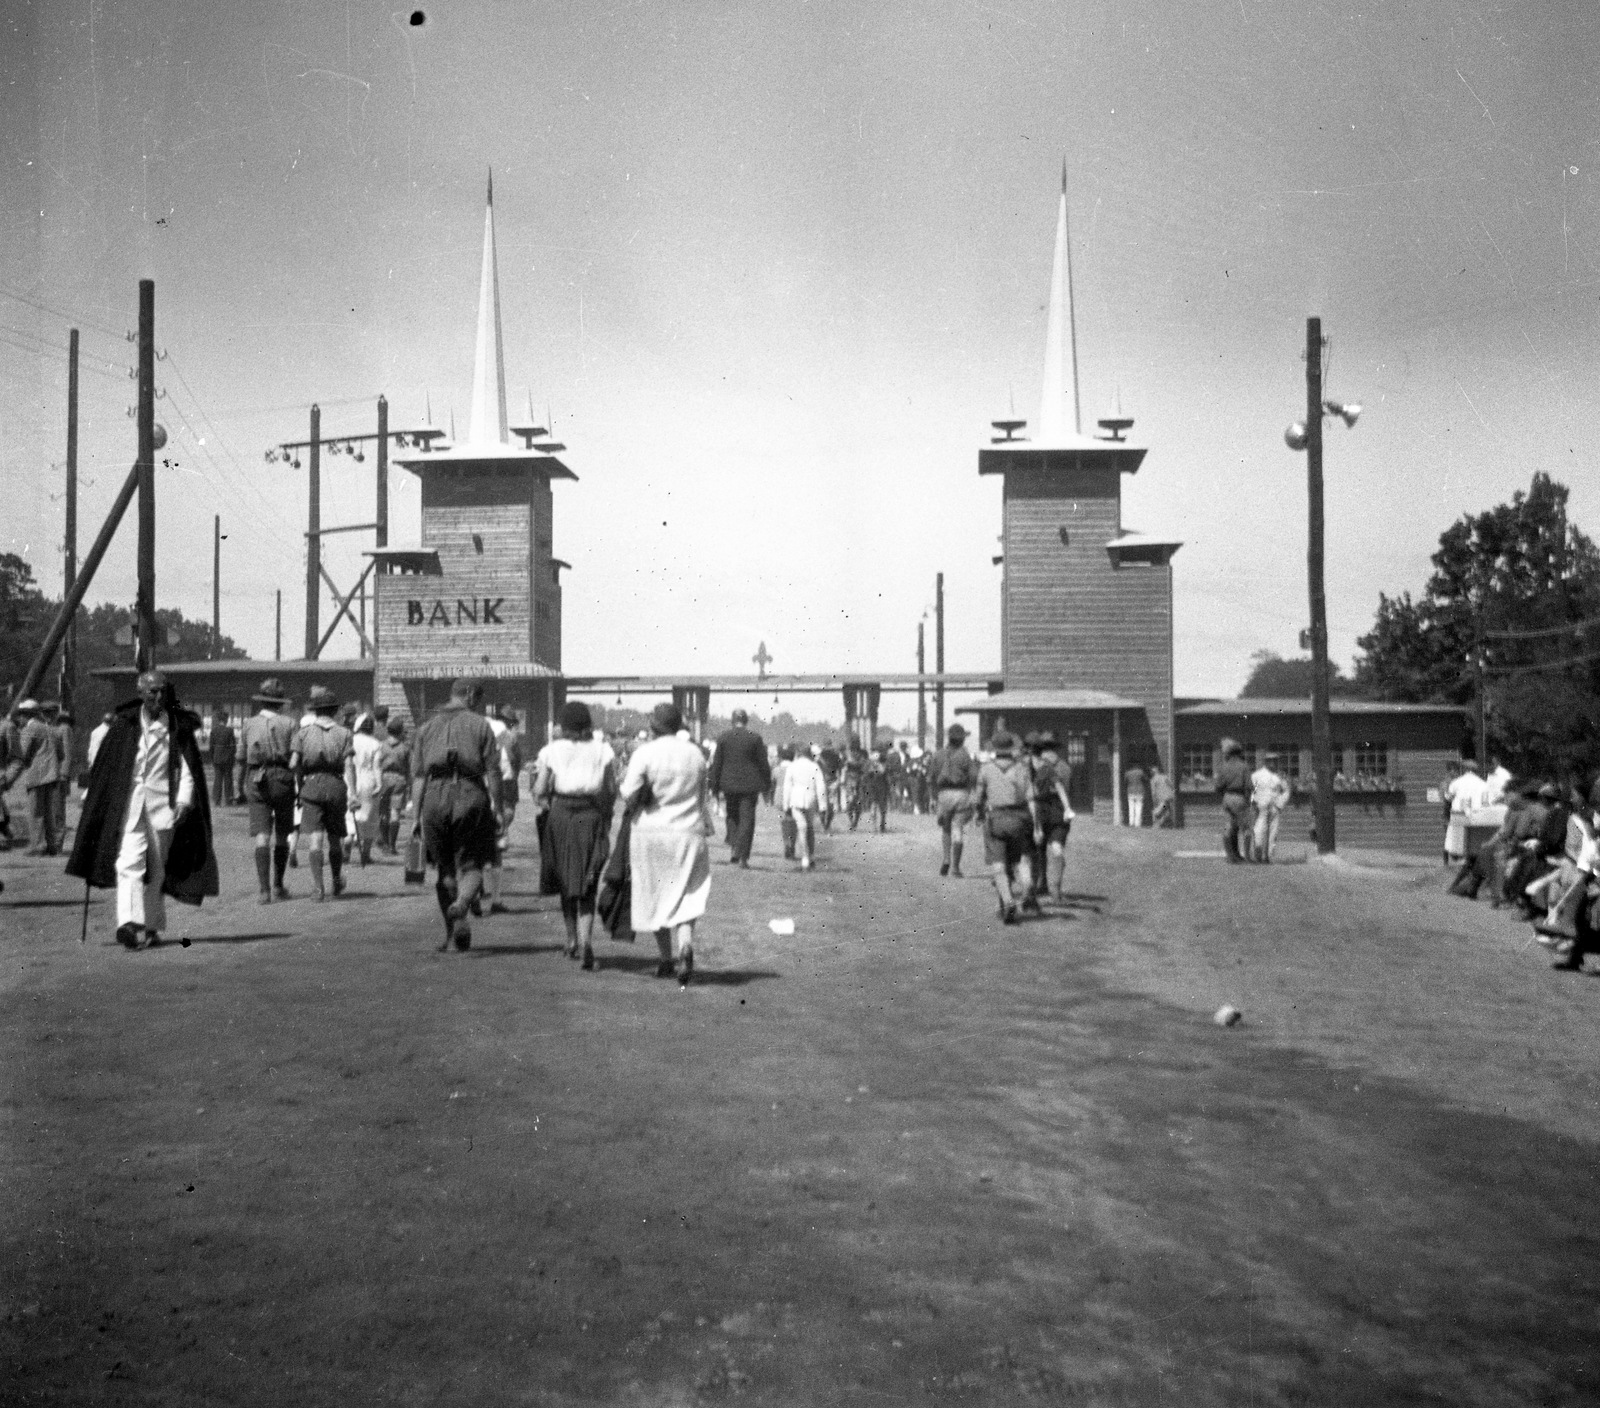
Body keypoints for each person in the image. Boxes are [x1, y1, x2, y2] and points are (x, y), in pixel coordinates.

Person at [66, 670, 218, 949]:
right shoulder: (124, 726)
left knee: (158, 871)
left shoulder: (175, 726)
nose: (158, 697)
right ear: (140, 693)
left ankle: (151, 927)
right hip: (130, 807)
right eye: (152, 692)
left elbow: (187, 769)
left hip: (163, 809)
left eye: (162, 691)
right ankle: (128, 922)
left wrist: (184, 801)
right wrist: (94, 796)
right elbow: (107, 767)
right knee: (128, 863)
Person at [619, 702, 712, 985]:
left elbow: (628, 793)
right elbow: (702, 793)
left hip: (651, 832)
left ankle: (665, 958)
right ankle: (685, 944)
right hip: (688, 832)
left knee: (656, 893)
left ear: (653, 726)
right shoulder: (695, 754)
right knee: (687, 892)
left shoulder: (644, 753)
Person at [409, 678, 502, 951]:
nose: (479, 704)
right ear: (471, 694)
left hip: (434, 797)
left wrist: (415, 816)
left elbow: (418, 776)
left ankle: (451, 936)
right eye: (479, 698)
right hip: (470, 794)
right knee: (472, 864)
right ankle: (462, 904)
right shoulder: (480, 725)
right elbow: (493, 772)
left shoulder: (425, 728)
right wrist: (497, 805)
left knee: (445, 870)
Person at [532, 700, 617, 969]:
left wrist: (546, 803)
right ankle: (586, 940)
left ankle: (570, 941)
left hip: (560, 814)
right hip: (590, 815)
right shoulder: (603, 750)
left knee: (564, 879)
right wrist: (605, 816)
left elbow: (539, 789)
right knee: (587, 881)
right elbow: (611, 789)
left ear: (564, 724)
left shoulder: (551, 750)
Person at [291, 685, 354, 901]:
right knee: (335, 838)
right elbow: (349, 765)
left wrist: (300, 784)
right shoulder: (344, 733)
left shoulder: (303, 733)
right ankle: (336, 881)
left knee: (315, 839)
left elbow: (293, 763)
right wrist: (352, 793)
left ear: (315, 711)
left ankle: (318, 888)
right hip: (336, 784)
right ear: (334, 710)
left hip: (311, 785)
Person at [974, 730, 1040, 924]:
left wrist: (979, 814)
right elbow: (1031, 799)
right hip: (1020, 819)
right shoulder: (1022, 768)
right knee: (1021, 861)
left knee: (999, 866)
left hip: (997, 819)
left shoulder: (986, 769)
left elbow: (978, 798)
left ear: (994, 748)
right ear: (1011, 747)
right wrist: (1036, 827)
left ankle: (1008, 900)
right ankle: (1027, 889)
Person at [707, 708, 771, 868]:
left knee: (732, 817)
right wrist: (767, 787)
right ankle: (743, 856)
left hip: (729, 786)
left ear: (732, 720)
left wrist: (714, 788)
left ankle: (735, 849)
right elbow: (764, 765)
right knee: (747, 820)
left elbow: (717, 765)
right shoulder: (755, 739)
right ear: (746, 720)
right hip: (750, 787)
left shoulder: (723, 738)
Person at [11, 699, 64, 855]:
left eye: (20, 716)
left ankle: (38, 846)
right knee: (49, 813)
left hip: (36, 775)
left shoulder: (30, 730)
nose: (19, 719)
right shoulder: (51, 729)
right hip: (52, 775)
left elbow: (21, 754)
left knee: (35, 813)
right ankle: (52, 846)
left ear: (25, 715)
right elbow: (61, 754)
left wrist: (9, 777)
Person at [927, 723, 978, 877]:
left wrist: (932, 798)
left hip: (943, 795)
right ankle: (955, 867)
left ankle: (946, 859)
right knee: (958, 830)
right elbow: (974, 776)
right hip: (961, 794)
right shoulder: (965, 756)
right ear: (962, 739)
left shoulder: (938, 755)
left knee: (946, 829)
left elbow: (930, 778)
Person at [1029, 731, 1074, 902]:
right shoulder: (1065, 767)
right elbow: (1069, 791)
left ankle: (1041, 884)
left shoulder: (1036, 766)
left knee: (1038, 849)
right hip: (1059, 812)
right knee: (1056, 848)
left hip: (1040, 811)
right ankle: (1055, 888)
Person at [781, 741, 828, 871]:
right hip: (811, 799)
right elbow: (821, 787)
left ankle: (805, 858)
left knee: (802, 828)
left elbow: (787, 787)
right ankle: (810, 856)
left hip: (796, 799)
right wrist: (823, 805)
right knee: (809, 827)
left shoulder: (792, 766)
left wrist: (786, 805)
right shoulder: (815, 767)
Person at [346, 712, 385, 867]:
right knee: (370, 818)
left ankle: (348, 842)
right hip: (369, 780)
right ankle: (366, 854)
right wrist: (379, 783)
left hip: (350, 779)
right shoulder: (376, 744)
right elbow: (377, 766)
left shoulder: (350, 740)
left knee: (349, 815)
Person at [1213, 738, 1252, 863]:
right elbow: (1248, 786)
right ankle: (1246, 856)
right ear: (1239, 753)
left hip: (1228, 797)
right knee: (1245, 828)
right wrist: (1247, 800)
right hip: (1240, 797)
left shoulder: (1224, 767)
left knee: (1229, 827)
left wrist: (1224, 796)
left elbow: (1218, 786)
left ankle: (1231, 855)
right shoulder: (1244, 766)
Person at [1444, 759, 1490, 865]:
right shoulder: (1483, 784)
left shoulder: (1456, 783)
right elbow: (1486, 802)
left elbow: (1448, 797)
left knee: (1458, 842)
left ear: (1465, 769)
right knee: (1474, 841)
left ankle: (1458, 863)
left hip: (1459, 815)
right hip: (1477, 815)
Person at [377, 716, 411, 854]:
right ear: (400, 732)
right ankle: (392, 845)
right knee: (395, 812)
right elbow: (410, 768)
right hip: (399, 779)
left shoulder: (382, 746)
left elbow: (377, 763)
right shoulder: (405, 748)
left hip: (384, 778)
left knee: (383, 812)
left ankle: (385, 843)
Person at [1249, 754, 1292, 863]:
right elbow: (1252, 790)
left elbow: (1286, 791)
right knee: (1258, 831)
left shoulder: (1279, 776)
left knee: (1273, 833)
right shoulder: (1257, 775)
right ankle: (1258, 854)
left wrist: (1280, 804)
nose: (1272, 763)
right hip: (1261, 808)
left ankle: (1267, 857)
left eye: (1275, 761)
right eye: (1270, 761)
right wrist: (1253, 802)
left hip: (1274, 807)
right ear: (1265, 762)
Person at [48, 704, 74, 845]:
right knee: (52, 809)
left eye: (51, 713)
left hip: (59, 775)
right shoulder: (53, 728)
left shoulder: (64, 728)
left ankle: (58, 841)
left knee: (58, 809)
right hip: (50, 774)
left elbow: (67, 752)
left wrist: (64, 773)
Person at [770, 746, 797, 859]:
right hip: (793, 797)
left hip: (780, 797)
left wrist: (771, 798)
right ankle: (792, 844)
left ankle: (786, 842)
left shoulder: (776, 770)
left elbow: (772, 785)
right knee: (793, 821)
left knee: (784, 822)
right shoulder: (796, 769)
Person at [209, 709, 237, 807]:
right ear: (226, 720)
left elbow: (211, 747)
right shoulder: (230, 731)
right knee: (228, 779)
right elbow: (233, 746)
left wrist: (213, 758)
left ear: (218, 719)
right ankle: (229, 800)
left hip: (217, 758)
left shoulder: (214, 730)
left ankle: (216, 801)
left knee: (217, 780)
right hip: (228, 759)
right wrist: (232, 757)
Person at [817, 740, 842, 832]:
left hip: (821, 782)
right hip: (833, 781)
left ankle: (824, 824)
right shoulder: (836, 756)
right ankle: (827, 825)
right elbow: (840, 768)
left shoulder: (819, 757)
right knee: (831, 804)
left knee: (821, 804)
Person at [1124, 758, 1148, 828]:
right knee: (1139, 807)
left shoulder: (1128, 773)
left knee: (1131, 808)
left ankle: (1131, 822)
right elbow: (1146, 779)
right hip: (1140, 791)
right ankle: (1137, 823)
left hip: (1130, 791)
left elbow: (1125, 781)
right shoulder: (1141, 772)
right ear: (1138, 765)